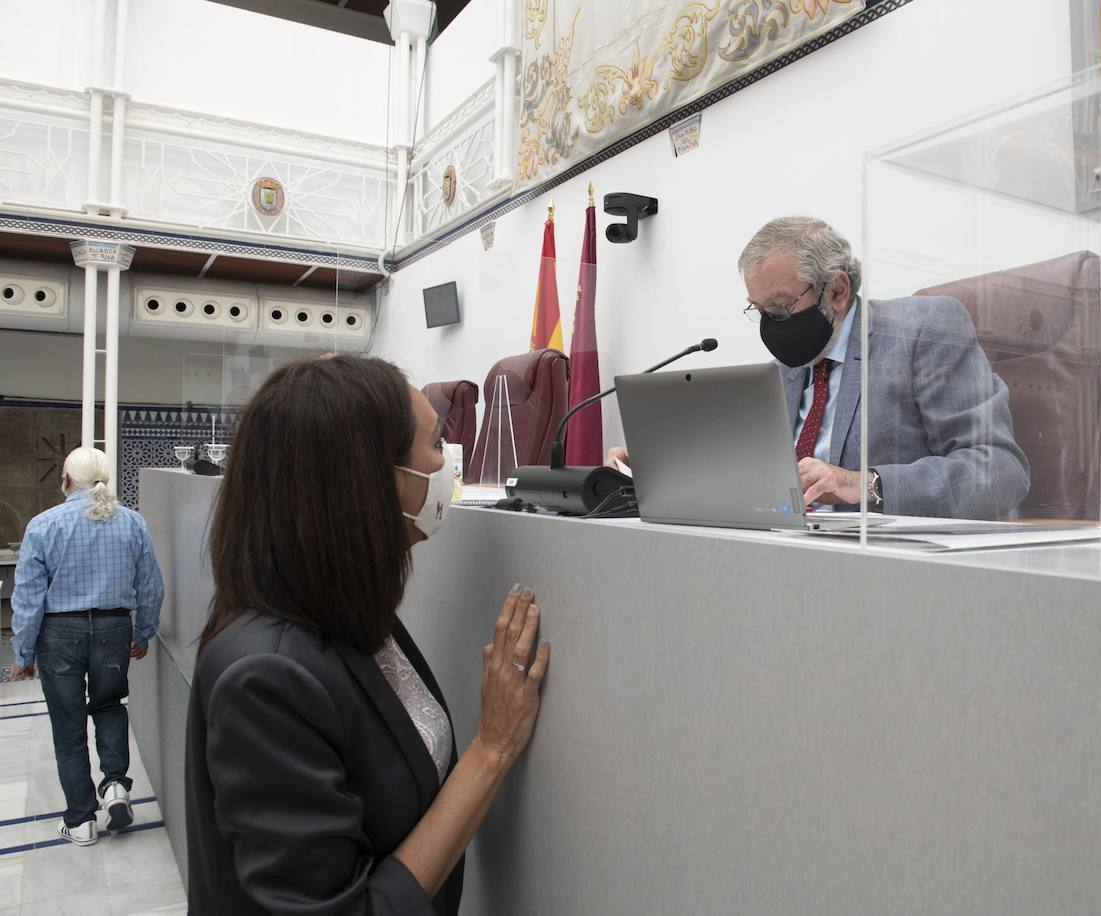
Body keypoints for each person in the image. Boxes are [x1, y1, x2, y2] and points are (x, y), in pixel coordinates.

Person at [185, 355, 550, 915]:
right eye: (435, 445)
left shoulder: (347, 611)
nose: (448, 463)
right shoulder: (265, 675)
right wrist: (492, 749)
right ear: (368, 481)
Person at [609, 216, 1030, 519]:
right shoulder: (785, 369)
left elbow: (1001, 470)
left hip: (891, 567)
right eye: (760, 311)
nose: (773, 326)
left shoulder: (922, 329)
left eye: (780, 307)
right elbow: (759, 476)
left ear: (838, 290)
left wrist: (862, 484)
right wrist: (661, 467)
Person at [9, 446, 163, 846]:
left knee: (68, 724)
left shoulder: (43, 525)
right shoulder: (132, 523)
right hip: (114, 629)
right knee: (109, 707)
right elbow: (151, 587)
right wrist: (142, 632)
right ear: (105, 479)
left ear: (66, 479)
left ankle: (80, 820)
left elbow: (28, 598)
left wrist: (23, 655)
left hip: (59, 634)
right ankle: (114, 785)